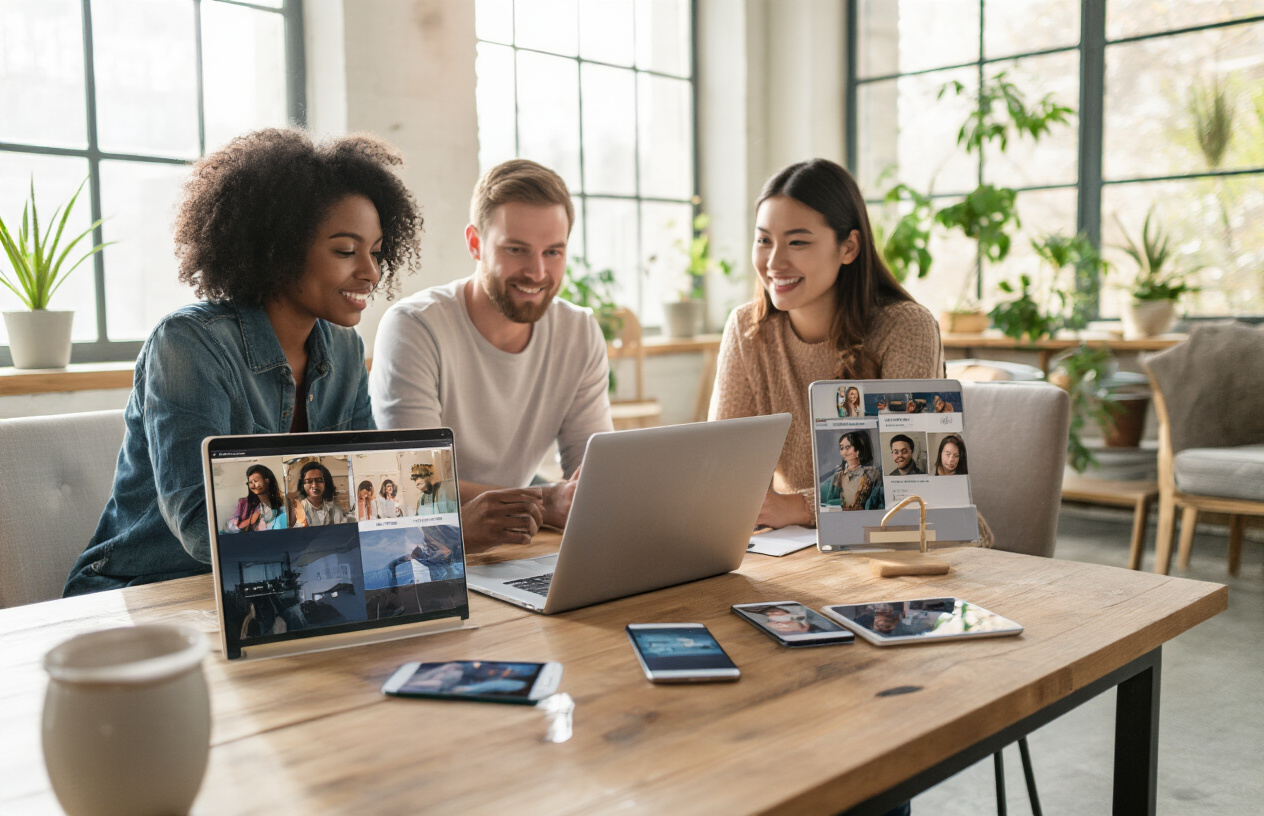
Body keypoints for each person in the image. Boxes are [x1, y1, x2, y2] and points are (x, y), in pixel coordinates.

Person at [63, 128, 423, 596]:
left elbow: (366, 488)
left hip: (279, 585)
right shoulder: (189, 344)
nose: (371, 272)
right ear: (278, 249)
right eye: (345, 251)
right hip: (147, 588)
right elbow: (203, 528)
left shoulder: (345, 349)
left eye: (375, 252)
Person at [370, 159, 612, 551]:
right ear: (475, 243)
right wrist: (546, 502)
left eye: (553, 252)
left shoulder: (578, 331)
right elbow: (416, 486)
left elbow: (593, 478)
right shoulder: (415, 327)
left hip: (516, 542)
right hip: (429, 548)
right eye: (516, 249)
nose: (537, 272)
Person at [708, 158, 947, 530]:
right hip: (799, 545)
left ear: (849, 247)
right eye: (764, 240)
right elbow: (722, 467)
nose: (774, 262)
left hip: (916, 539)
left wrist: (802, 508)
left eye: (797, 242)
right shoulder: (747, 329)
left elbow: (913, 484)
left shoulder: (905, 327)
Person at [819, 431, 882, 511]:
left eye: (848, 447)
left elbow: (863, 501)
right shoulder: (839, 473)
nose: (844, 452)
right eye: (842, 448)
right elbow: (829, 498)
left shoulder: (871, 473)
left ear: (859, 450)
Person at [230, 464, 287, 532]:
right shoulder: (243, 503)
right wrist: (251, 519)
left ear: (267, 481)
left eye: (256, 481)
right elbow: (230, 528)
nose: (253, 485)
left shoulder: (282, 503)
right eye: (250, 482)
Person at [293, 462, 347, 526]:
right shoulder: (300, 509)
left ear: (326, 482)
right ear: (302, 485)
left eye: (319, 480)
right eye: (309, 481)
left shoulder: (334, 508)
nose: (314, 485)